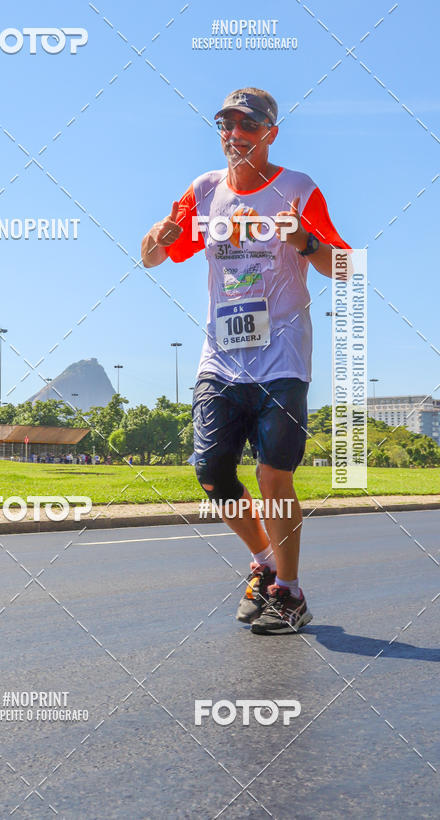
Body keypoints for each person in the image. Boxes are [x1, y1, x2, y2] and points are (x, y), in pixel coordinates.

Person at [141, 87, 350, 634]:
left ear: (270, 133)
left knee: (272, 474)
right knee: (211, 472)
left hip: (282, 356)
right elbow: (152, 257)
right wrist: (156, 237)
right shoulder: (204, 191)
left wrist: (306, 242)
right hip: (221, 358)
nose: (235, 135)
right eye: (226, 125)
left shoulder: (298, 188)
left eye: (248, 125)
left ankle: (290, 591)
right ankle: (264, 562)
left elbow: (345, 268)